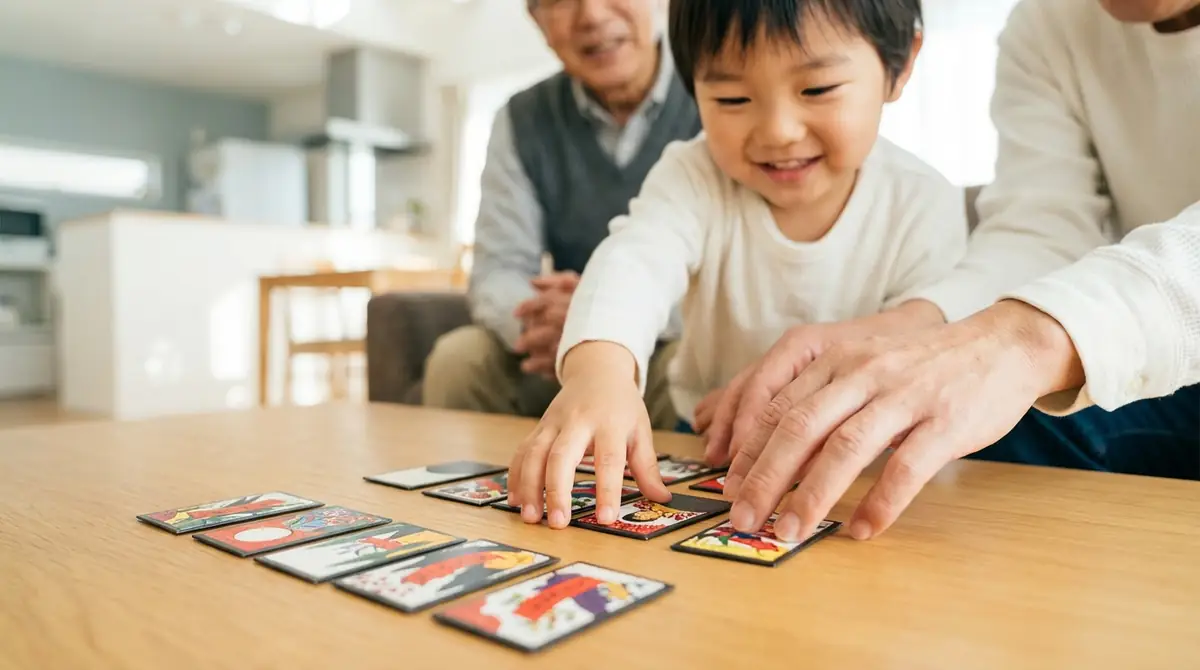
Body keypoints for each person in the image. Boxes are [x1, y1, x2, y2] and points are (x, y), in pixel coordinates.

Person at [708, 0, 1200, 545]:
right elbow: (1040, 231)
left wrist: (1026, 342)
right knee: (959, 429)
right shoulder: (1049, 22)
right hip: (1142, 360)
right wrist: (915, 324)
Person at [506, 0, 970, 529]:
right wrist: (600, 370)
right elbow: (635, 259)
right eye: (732, 98)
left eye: (816, 90)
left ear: (900, 64)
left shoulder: (922, 200)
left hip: (862, 458)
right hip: (705, 442)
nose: (778, 131)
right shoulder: (692, 173)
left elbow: (926, 344)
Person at [422, 0, 702, 428]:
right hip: (557, 346)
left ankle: (657, 495)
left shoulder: (716, 87)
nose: (590, 14)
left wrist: (606, 321)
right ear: (537, 21)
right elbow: (498, 270)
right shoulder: (522, 118)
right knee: (459, 359)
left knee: (687, 367)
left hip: (672, 333)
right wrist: (574, 333)